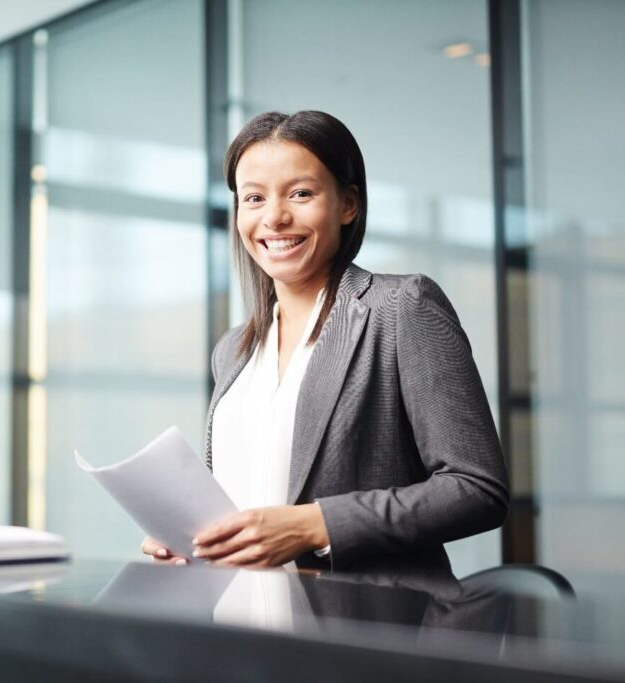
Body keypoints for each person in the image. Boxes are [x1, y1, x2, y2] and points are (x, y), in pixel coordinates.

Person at [142, 110, 509, 571]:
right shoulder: (233, 350)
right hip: (240, 621)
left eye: (300, 193)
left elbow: (477, 488)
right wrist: (194, 534)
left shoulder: (399, 308)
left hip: (364, 626)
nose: (274, 217)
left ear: (347, 204)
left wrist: (314, 526)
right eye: (253, 198)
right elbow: (250, 505)